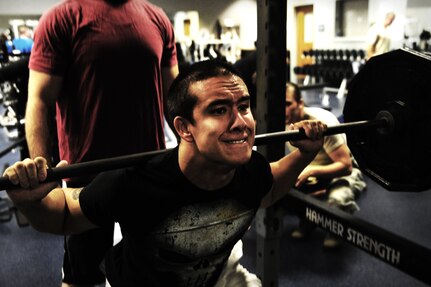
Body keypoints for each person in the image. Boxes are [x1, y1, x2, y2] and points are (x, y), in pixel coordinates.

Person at [5, 59, 326, 286]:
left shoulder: (249, 169)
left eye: (243, 106)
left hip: (217, 278)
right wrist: (31, 202)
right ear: (184, 128)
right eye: (218, 110)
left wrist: (302, 155)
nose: (241, 122)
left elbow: (267, 191)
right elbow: (62, 216)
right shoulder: (136, 183)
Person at [24, 0, 179, 286]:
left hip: (149, 173)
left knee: (151, 272)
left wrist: (195, 156)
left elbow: (177, 101)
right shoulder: (62, 18)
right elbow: (39, 101)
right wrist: (42, 172)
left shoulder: (157, 18)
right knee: (81, 277)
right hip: (87, 177)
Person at [284, 82, 366, 248]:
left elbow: (345, 166)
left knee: (337, 199)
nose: (283, 110)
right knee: (283, 190)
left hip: (340, 169)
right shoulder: (283, 123)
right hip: (313, 170)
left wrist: (312, 171)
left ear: (300, 103)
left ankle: (336, 230)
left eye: (287, 104)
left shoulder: (320, 123)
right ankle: (309, 220)